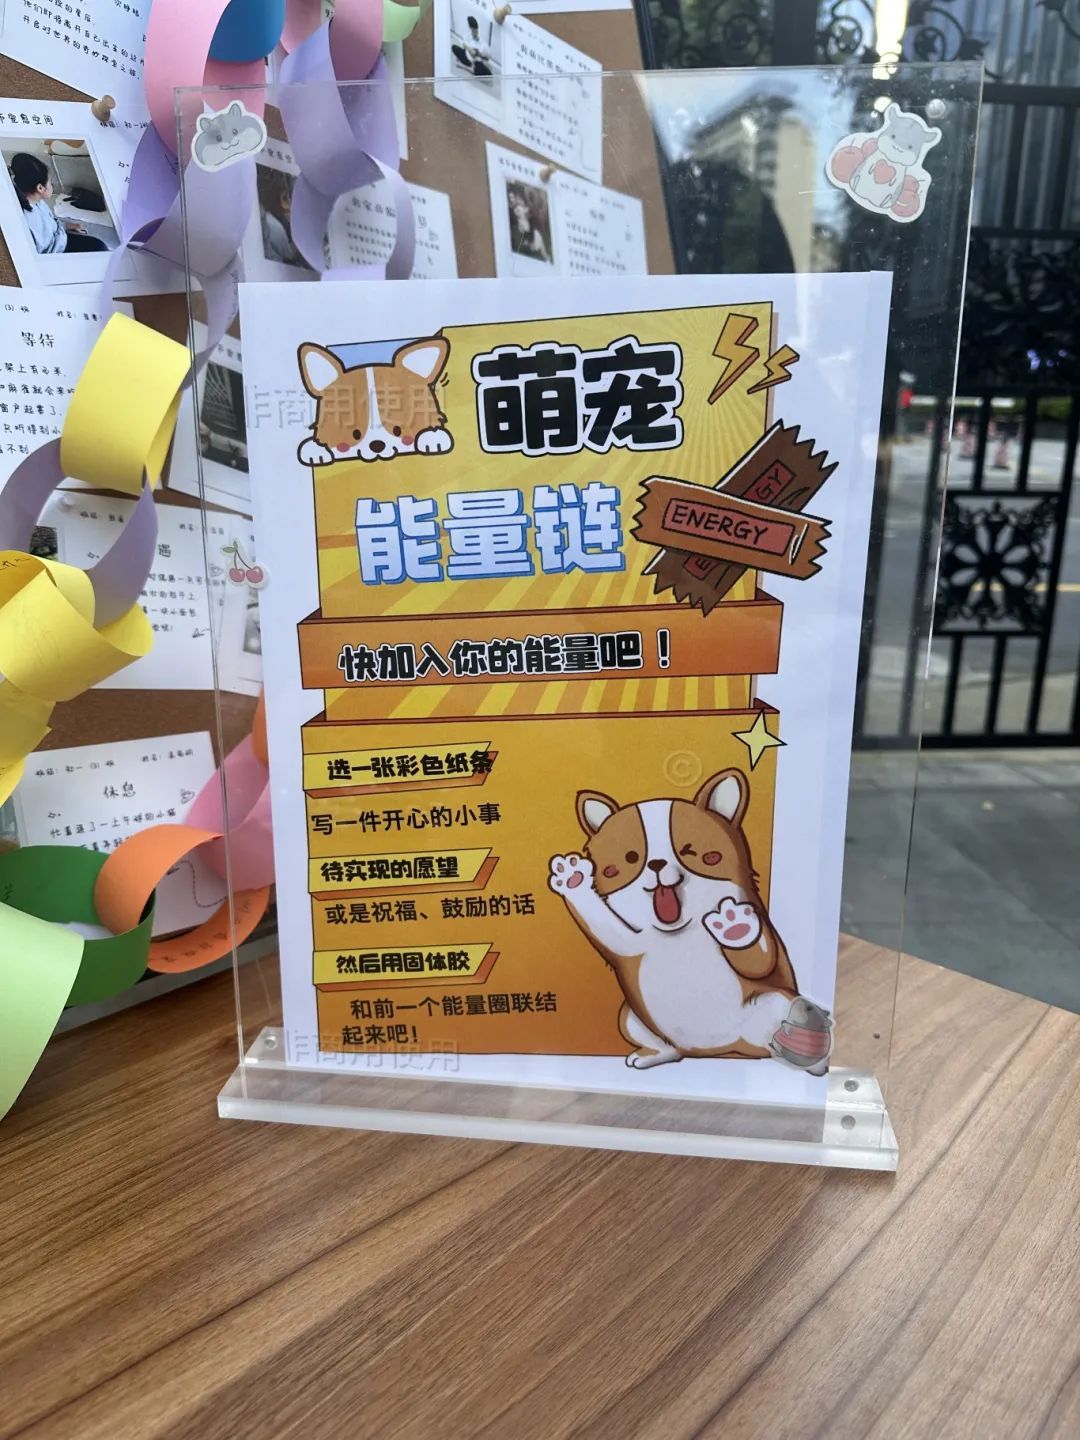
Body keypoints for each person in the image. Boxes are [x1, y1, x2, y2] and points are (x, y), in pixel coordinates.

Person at [9, 152, 107, 254]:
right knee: (100, 250)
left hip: (61, 240)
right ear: (40, 188)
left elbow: (50, 224)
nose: (53, 186)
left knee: (100, 246)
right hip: (57, 253)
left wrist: (67, 225)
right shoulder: (27, 221)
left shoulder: (38, 202)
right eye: (50, 183)